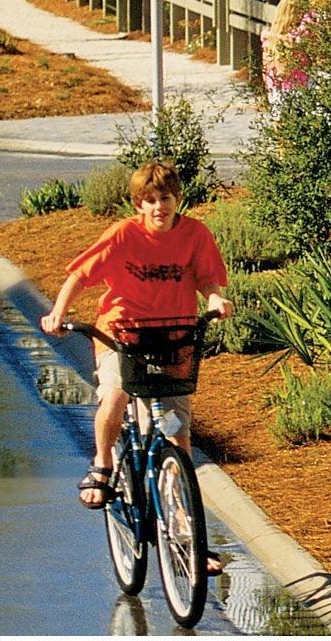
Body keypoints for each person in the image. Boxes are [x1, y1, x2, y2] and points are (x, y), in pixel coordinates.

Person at [38, 159, 231, 512]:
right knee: (115, 395)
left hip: (173, 338)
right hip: (121, 334)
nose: (160, 207)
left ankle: (189, 537)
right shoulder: (123, 235)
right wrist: (58, 314)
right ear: (139, 204)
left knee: (178, 437)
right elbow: (81, 275)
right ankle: (102, 464)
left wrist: (214, 298)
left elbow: (206, 277)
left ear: (178, 199)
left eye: (167, 198)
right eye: (151, 200)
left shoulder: (195, 234)